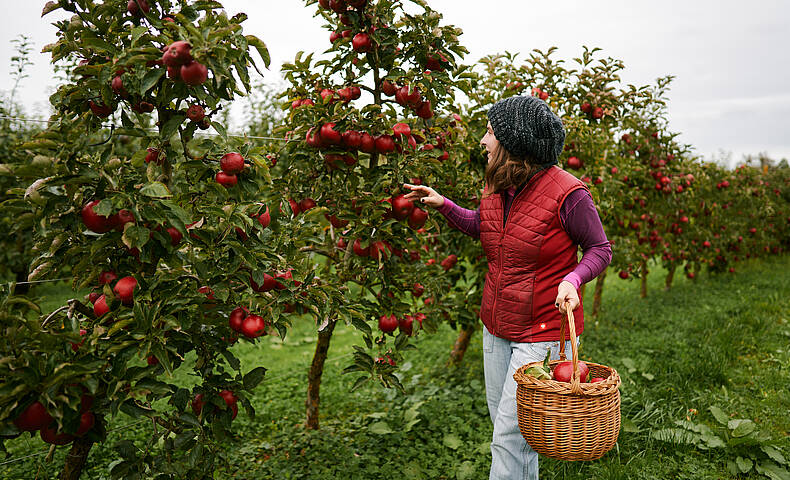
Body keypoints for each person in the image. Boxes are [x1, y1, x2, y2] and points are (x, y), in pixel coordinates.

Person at [403, 95, 612, 480]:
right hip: (496, 325)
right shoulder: (500, 186)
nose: (483, 141)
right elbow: (488, 229)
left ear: (512, 141)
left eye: (489, 132)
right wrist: (443, 204)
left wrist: (573, 278)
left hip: (541, 330)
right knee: (514, 431)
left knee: (508, 436)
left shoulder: (570, 193)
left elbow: (600, 248)